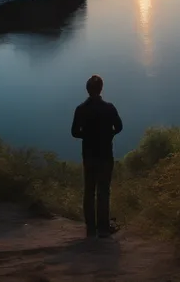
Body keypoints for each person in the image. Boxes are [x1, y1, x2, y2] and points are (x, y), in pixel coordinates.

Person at [71, 75, 123, 238]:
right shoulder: (109, 108)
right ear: (101, 89)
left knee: (89, 191)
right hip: (105, 155)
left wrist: (86, 135)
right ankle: (103, 228)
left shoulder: (81, 109)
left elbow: (74, 132)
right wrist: (109, 134)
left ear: (87, 89)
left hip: (89, 155)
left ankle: (90, 228)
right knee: (103, 191)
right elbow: (119, 127)